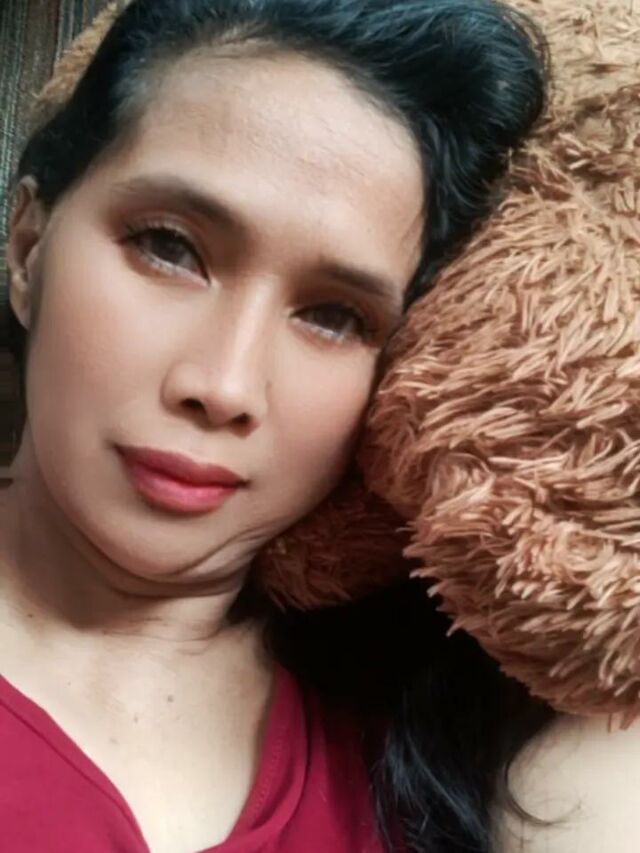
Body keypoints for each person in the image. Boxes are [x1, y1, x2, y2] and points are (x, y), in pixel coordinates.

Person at [0, 1, 548, 851]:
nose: (223, 385)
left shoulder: (466, 736)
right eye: (168, 247)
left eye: (334, 316)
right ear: (29, 246)